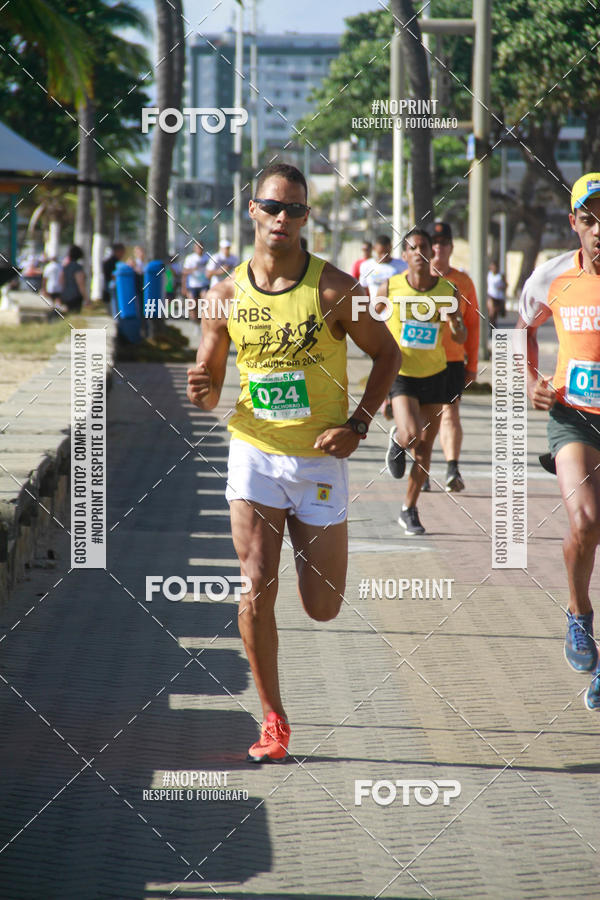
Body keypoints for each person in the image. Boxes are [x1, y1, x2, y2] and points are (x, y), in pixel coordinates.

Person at [187, 162, 401, 761]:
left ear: (306, 218)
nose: (283, 218)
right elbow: (209, 387)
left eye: (296, 210)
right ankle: (274, 720)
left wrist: (359, 423)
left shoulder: (333, 289)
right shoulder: (226, 295)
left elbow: (389, 355)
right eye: (273, 207)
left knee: (323, 605)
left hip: (319, 460)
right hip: (254, 451)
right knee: (256, 584)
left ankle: (314, 595)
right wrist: (201, 386)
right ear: (251, 210)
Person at [517, 171, 600, 711]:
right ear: (574, 224)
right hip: (574, 416)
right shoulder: (552, 276)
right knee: (586, 520)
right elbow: (521, 327)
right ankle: (578, 614)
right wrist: (531, 381)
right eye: (590, 220)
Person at [377, 229, 466, 535]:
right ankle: (398, 439)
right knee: (412, 435)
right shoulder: (390, 286)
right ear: (404, 255)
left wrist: (455, 324)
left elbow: (461, 336)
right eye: (412, 248)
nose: (418, 252)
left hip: (436, 374)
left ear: (432, 252)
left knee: (425, 450)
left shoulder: (448, 290)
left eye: (423, 247)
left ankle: (409, 509)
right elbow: (370, 323)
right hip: (401, 373)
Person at [423, 221, 480, 493]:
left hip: (452, 360)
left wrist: (473, 364)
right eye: (433, 243)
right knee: (422, 418)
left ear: (451, 247)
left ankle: (451, 468)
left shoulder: (463, 282)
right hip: (418, 360)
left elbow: (473, 324)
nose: (438, 248)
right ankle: (420, 468)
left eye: (443, 243)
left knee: (449, 414)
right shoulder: (415, 280)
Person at [359, 234, 407, 300]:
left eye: (386, 252)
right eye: (381, 252)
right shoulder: (366, 266)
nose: (384, 255)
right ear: (374, 248)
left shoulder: (402, 265)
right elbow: (362, 289)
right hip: (374, 308)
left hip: (395, 308)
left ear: (391, 247)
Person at [183, 240, 210, 318]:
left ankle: (203, 322)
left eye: (200, 247)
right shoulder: (190, 258)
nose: (199, 249)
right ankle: (195, 323)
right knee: (192, 305)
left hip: (204, 284)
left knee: (205, 303)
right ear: (194, 248)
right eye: (197, 247)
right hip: (192, 285)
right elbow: (184, 272)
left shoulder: (207, 257)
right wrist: (184, 287)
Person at [61, 245, 88, 313]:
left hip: (66, 295)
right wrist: (86, 298)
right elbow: (80, 284)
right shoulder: (78, 268)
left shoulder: (66, 267)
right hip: (75, 296)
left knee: (69, 315)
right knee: (75, 314)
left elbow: (61, 281)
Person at [487, 260, 506, 329]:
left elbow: (505, 285)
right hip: (491, 295)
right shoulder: (489, 274)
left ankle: (494, 326)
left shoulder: (500, 275)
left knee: (495, 314)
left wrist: (502, 287)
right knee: (492, 312)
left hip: (499, 296)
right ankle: (491, 326)